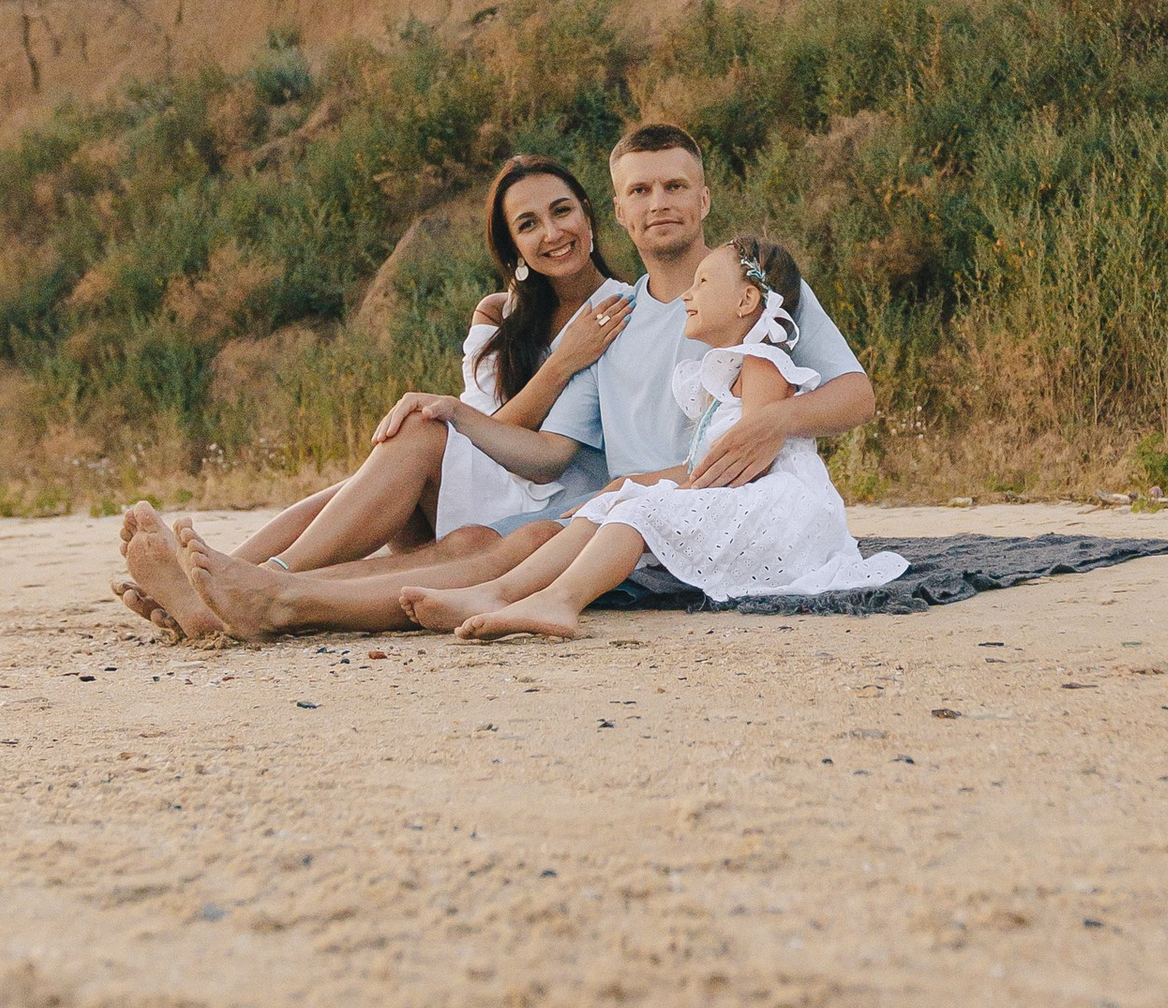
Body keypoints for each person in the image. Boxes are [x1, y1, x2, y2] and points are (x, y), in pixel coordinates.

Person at [156, 121, 879, 641]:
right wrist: (455, 415)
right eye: (641, 190)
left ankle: (281, 595)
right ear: (619, 210)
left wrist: (776, 422)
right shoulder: (610, 317)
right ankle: (259, 592)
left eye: (676, 186)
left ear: (704, 199)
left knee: (507, 544)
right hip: (615, 512)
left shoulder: (753, 288)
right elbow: (552, 450)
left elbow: (857, 396)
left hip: (670, 509)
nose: (660, 203)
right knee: (483, 541)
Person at [114, 153, 632, 642]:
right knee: (414, 442)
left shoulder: (618, 311)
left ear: (588, 215)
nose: (552, 233)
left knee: (427, 444)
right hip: (488, 475)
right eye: (528, 224)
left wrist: (557, 365)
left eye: (561, 211)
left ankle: (245, 582)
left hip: (554, 491)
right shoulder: (499, 315)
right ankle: (212, 578)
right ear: (513, 246)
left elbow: (535, 450)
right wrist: (561, 363)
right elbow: (485, 427)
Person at [398, 234, 904, 637]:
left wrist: (641, 493)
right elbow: (707, 465)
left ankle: (559, 601)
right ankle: (501, 591)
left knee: (637, 509)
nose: (688, 293)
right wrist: (626, 484)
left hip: (780, 508)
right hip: (739, 493)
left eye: (704, 282)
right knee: (611, 502)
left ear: (748, 299)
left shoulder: (764, 363)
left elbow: (750, 462)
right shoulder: (724, 372)